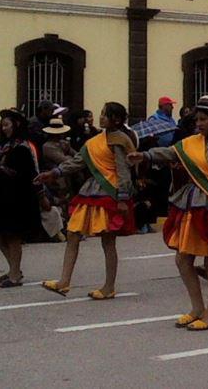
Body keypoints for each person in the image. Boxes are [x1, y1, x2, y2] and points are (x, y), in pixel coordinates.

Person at [128, 96, 208, 331]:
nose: (199, 124)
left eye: (204, 119)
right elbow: (170, 153)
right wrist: (145, 155)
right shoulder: (191, 142)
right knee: (182, 259)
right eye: (197, 120)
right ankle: (197, 308)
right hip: (191, 207)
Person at [36, 102, 137, 299]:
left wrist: (123, 198)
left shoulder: (119, 140)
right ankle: (64, 281)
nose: (100, 117)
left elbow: (123, 170)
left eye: (105, 114)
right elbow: (78, 162)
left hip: (110, 193)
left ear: (116, 119)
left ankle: (109, 287)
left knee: (108, 241)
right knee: (73, 232)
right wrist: (54, 173)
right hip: (91, 192)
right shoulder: (95, 141)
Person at [0, 108, 46, 288]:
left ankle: (14, 275)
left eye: (7, 125)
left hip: (16, 197)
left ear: (16, 125)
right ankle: (14, 269)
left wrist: (41, 195)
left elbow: (32, 173)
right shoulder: (4, 146)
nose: (3, 128)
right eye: (2, 125)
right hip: (0, 196)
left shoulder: (24, 147)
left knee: (13, 236)